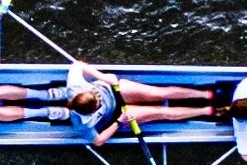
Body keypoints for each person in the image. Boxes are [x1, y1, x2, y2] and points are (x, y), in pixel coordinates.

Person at [56, 60, 227, 143]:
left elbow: (77, 64)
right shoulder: (81, 124)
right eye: (98, 103)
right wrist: (118, 122)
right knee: (161, 112)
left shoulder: (75, 86)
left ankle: (207, 94)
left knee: (160, 93)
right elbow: (98, 141)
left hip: (113, 89)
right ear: (93, 111)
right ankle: (208, 111)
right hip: (118, 115)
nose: (99, 99)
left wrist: (103, 77)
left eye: (96, 96)